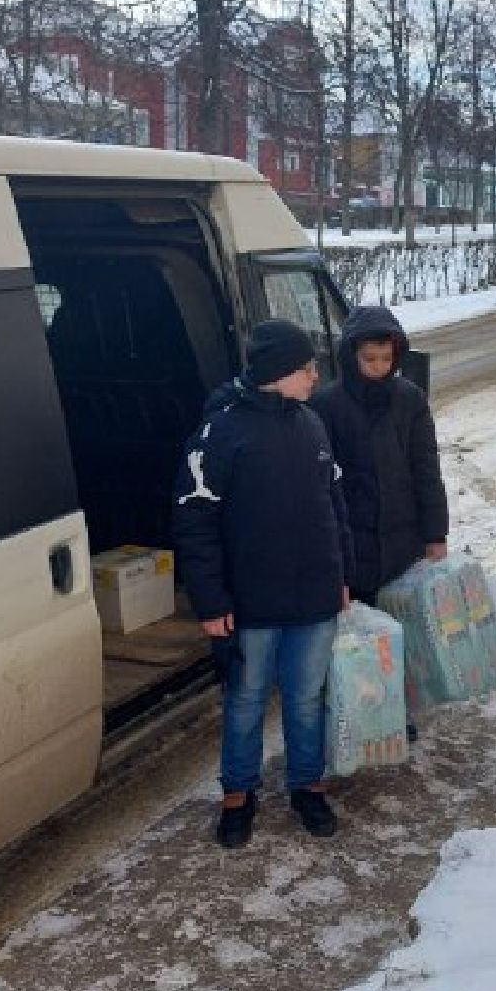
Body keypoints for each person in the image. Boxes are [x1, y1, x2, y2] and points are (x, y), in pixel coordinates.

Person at [174, 320, 353, 849]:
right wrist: (211, 601)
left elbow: (334, 505)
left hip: (314, 595)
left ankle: (308, 787)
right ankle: (238, 795)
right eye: (307, 368)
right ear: (278, 373)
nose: (316, 376)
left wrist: (342, 575)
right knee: (247, 699)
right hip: (250, 602)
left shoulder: (311, 423)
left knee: (305, 698)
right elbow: (194, 522)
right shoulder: (220, 433)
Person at [309, 305, 450, 603]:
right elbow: (320, 487)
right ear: (351, 356)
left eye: (386, 359)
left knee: (409, 630)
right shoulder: (327, 406)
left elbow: (426, 469)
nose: (379, 366)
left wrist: (435, 534)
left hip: (405, 544)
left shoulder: (409, 399)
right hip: (354, 548)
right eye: (369, 359)